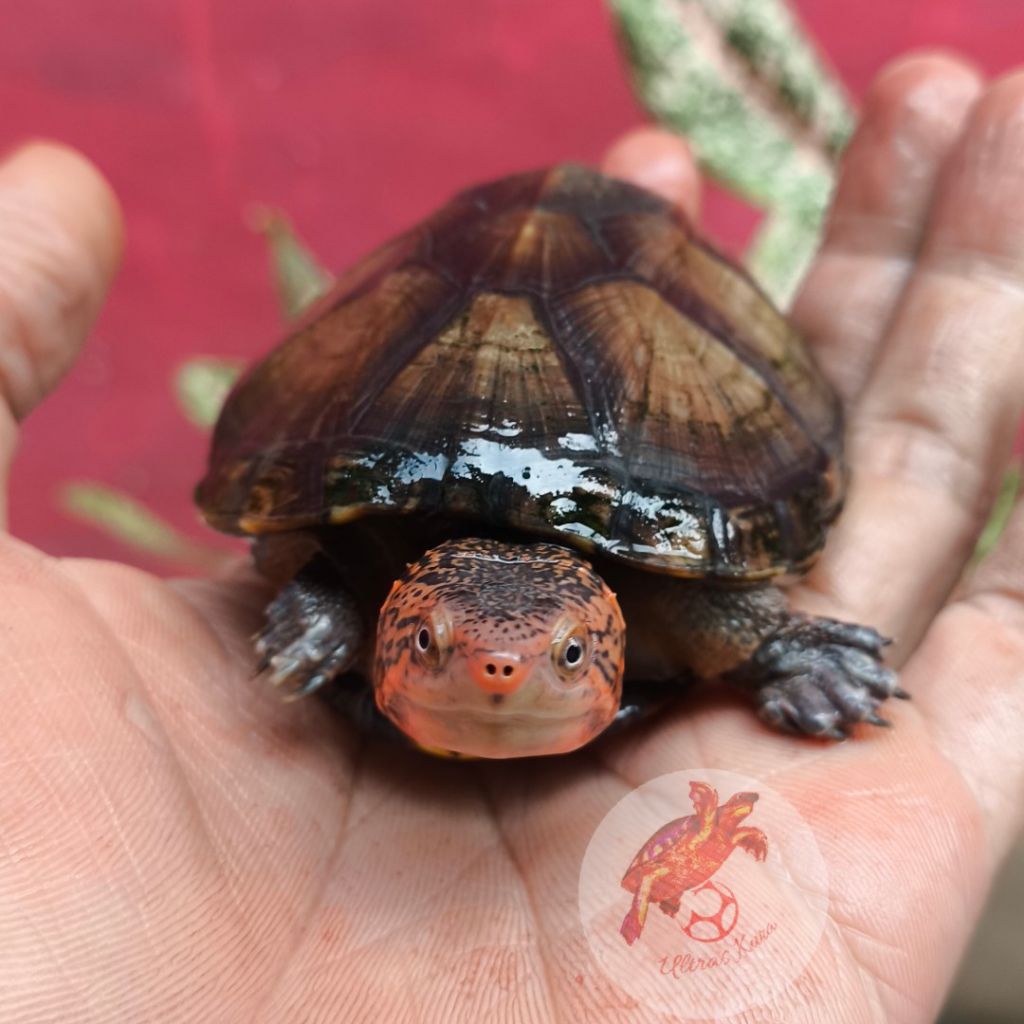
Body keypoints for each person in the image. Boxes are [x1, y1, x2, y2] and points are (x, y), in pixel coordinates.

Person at [1, 52, 1022, 1023]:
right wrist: (325, 602)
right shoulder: (364, 578)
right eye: (432, 644)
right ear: (394, 627)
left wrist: (776, 651)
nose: (500, 672)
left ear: (606, 640)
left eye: (567, 656)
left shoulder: (667, 597)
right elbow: (318, 554)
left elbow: (721, 609)